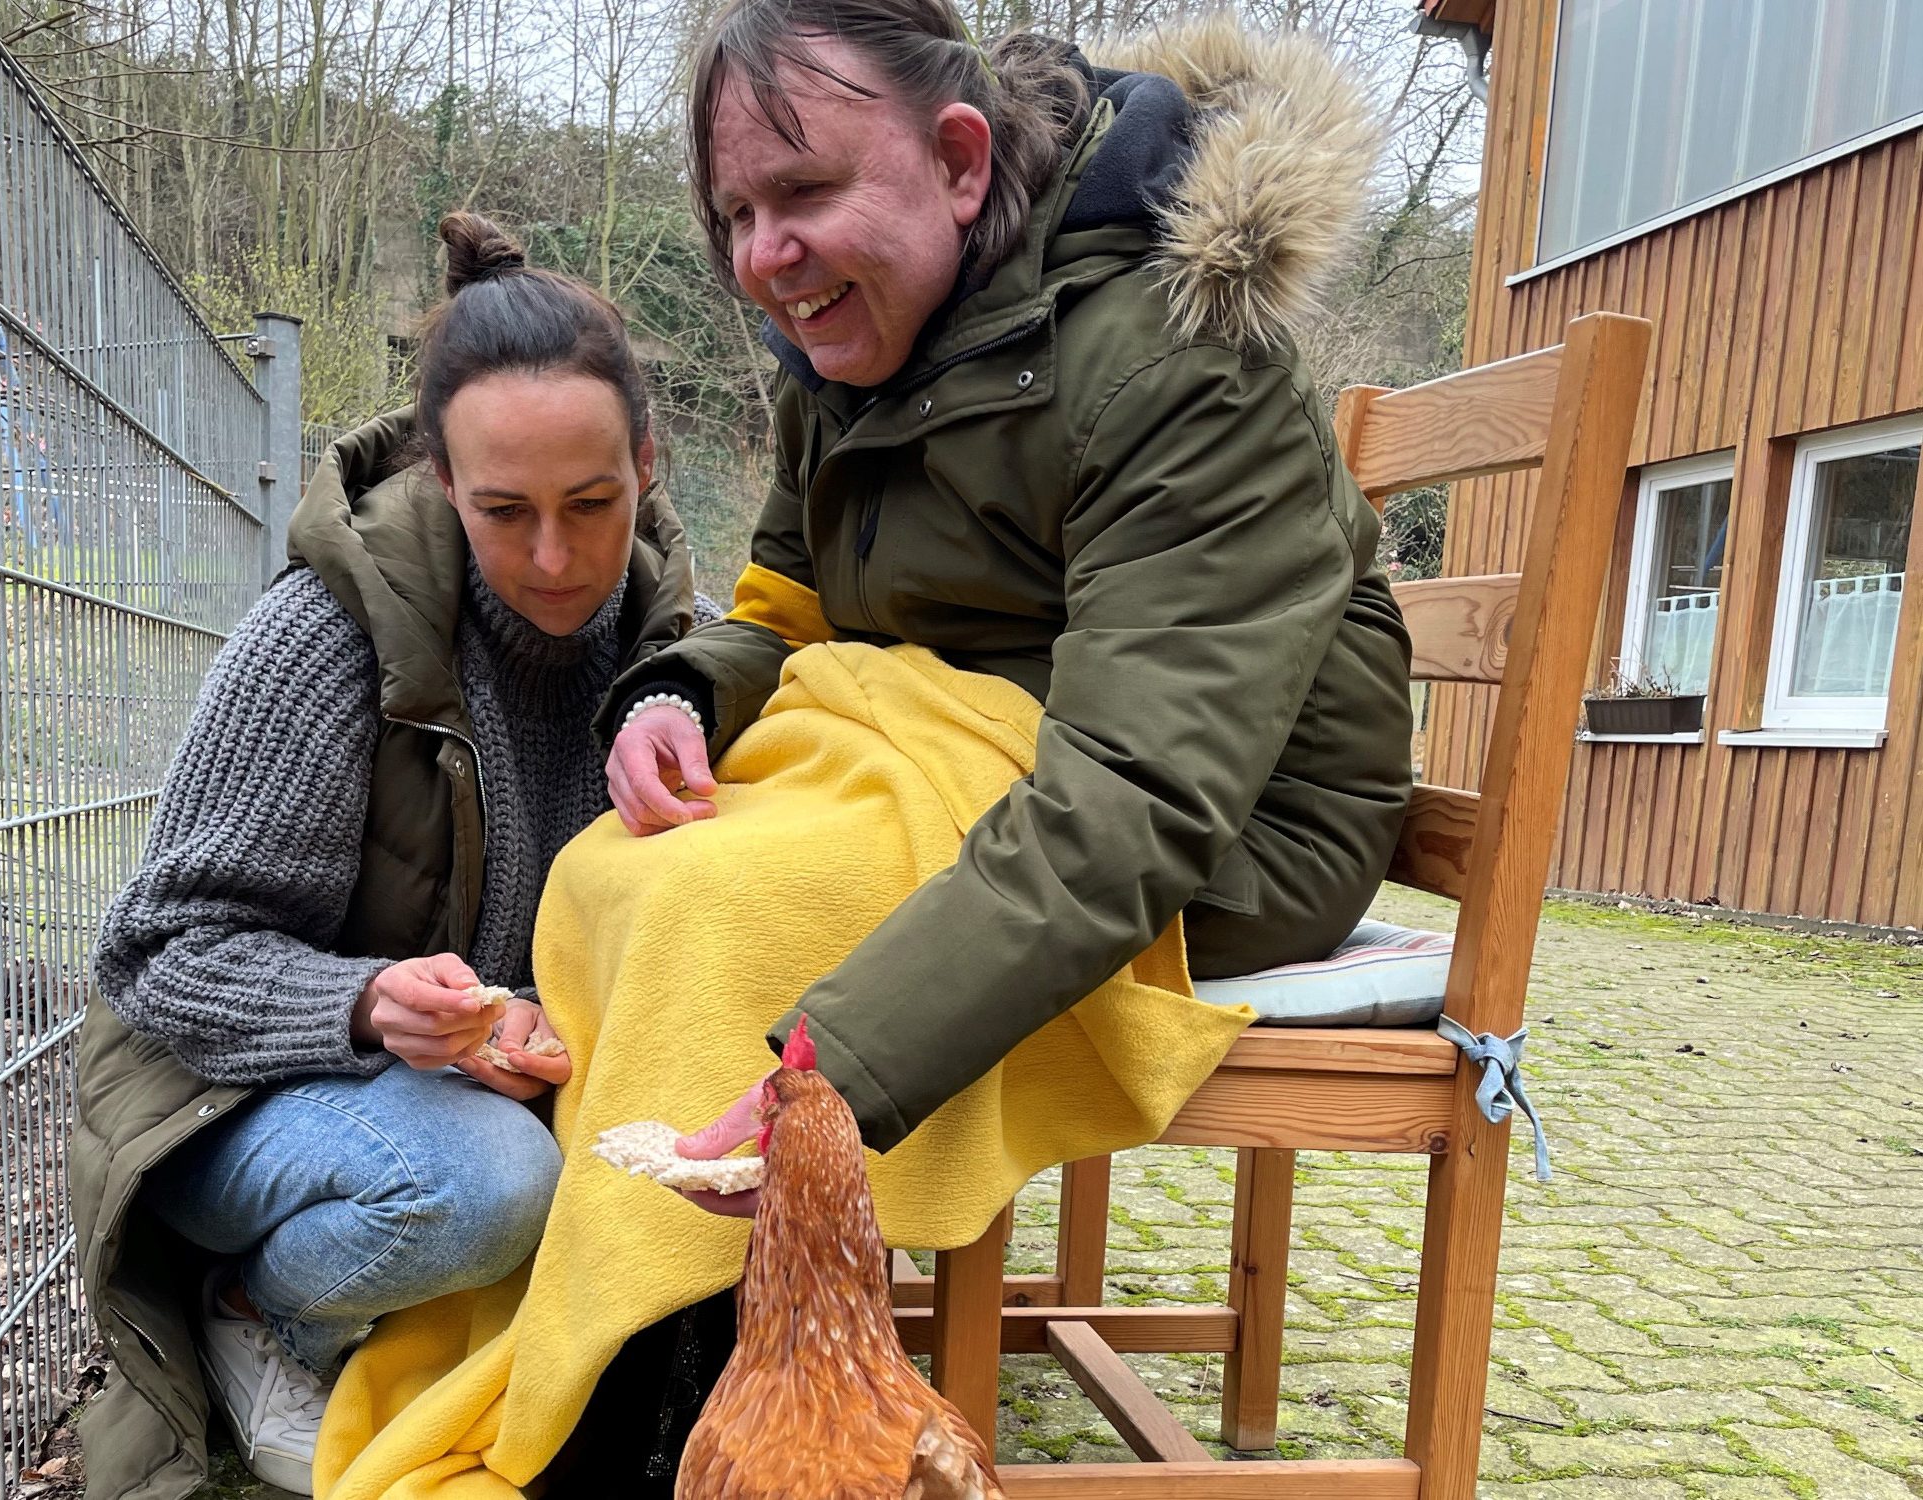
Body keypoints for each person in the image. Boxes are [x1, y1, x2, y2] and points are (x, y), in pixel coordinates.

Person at [605, 0, 1415, 1168]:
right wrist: (673, 698)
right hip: (1007, 763)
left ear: (958, 162)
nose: (759, 258)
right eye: (737, 213)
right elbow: (787, 603)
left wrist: (831, 1075)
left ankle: (697, 1320)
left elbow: (1138, 793)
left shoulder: (1178, 366)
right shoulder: (846, 353)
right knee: (621, 863)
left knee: (718, 904)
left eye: (805, 192)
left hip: (1235, 837)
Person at [69, 211, 719, 1500]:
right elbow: (155, 955)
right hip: (231, 1101)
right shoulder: (323, 638)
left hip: (481, 1087)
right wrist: (361, 1001)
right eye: (502, 512)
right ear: (438, 479)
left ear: (645, 466)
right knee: (481, 1183)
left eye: (591, 506)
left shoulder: (677, 658)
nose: (553, 557)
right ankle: (263, 1315)